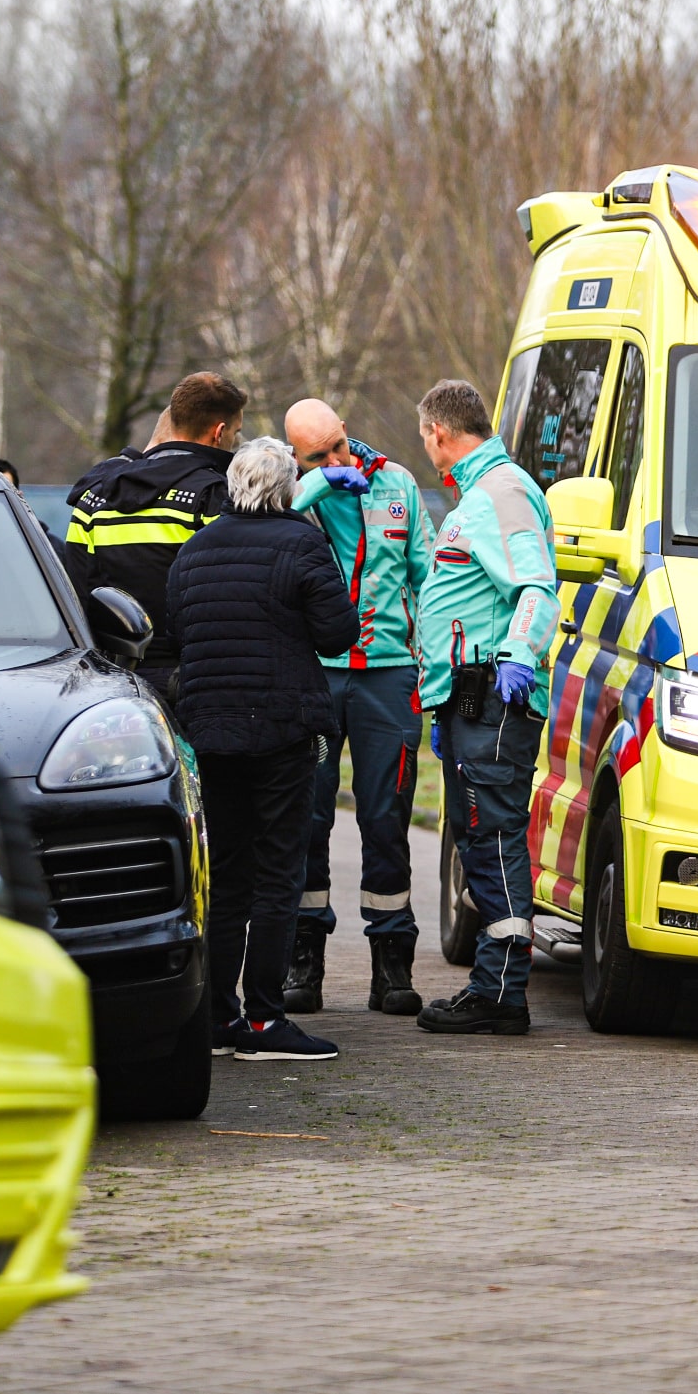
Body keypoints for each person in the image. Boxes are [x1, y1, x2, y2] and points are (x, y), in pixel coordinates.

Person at [164, 437, 357, 1060]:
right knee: (279, 873)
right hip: (283, 728)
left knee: (226, 877)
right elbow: (337, 634)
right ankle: (267, 1021)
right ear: (286, 489)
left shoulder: (193, 552)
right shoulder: (301, 543)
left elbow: (179, 632)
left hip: (212, 731)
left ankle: (219, 1018)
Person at [411, 379, 556, 1036]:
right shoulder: (479, 493)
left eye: (424, 439)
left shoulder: (501, 491)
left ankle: (501, 992)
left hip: (494, 700)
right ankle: (495, 986)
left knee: (492, 834)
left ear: (439, 433)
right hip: (469, 704)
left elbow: (535, 586)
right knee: (479, 835)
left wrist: (520, 654)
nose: (426, 449)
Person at [281, 397, 435, 1016]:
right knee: (307, 817)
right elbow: (260, 528)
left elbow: (428, 575)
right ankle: (304, 957)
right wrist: (314, 484)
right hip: (316, 676)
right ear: (297, 456)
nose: (335, 460)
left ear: (346, 427)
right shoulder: (292, 491)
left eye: (336, 447)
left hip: (388, 676)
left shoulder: (398, 484)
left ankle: (391, 963)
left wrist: (433, 667)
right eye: (316, 457)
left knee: (386, 816)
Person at [62, 373, 244, 691]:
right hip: (192, 678)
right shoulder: (215, 498)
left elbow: (75, 593)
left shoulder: (93, 498)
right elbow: (227, 598)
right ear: (219, 432)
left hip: (108, 679)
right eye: (237, 433)